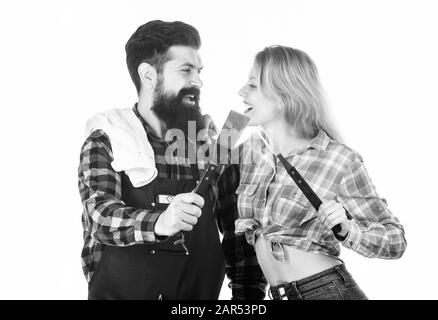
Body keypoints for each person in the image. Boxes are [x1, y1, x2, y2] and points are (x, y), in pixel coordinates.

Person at [77, 20, 266, 300]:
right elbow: (100, 216)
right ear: (148, 74)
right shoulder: (108, 138)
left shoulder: (215, 146)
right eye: (186, 70)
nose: (198, 82)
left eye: (199, 71)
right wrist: (161, 222)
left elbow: (240, 235)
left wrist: (246, 299)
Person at [235, 45, 407, 300]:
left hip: (326, 292)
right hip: (279, 295)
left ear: (282, 97)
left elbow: (395, 241)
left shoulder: (339, 159)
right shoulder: (249, 149)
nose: (240, 92)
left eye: (252, 85)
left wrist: (347, 230)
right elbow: (200, 172)